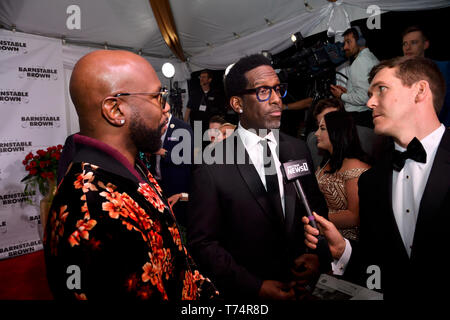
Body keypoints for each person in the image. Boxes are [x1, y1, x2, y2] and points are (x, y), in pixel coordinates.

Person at [44, 50, 218, 300]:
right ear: (115, 110)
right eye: (157, 97)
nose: (167, 108)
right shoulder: (94, 214)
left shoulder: (131, 165)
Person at [303, 56, 449, 300]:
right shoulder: (372, 181)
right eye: (370, 93)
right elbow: (376, 265)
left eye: (381, 89)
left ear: (420, 91)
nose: (370, 102)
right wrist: (343, 249)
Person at [187, 54, 330, 300]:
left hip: (301, 288)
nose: (276, 100)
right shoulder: (212, 165)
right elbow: (203, 244)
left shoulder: (297, 149)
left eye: (277, 89)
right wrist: (255, 286)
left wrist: (317, 254)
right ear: (237, 104)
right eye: (263, 91)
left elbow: (315, 208)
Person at [314, 111, 371, 242]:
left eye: (322, 129)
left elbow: (354, 216)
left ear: (337, 132)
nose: (316, 133)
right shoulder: (327, 161)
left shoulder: (356, 166)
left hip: (347, 241)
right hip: (322, 234)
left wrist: (315, 219)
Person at [145, 110, 194, 228]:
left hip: (176, 185)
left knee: (179, 222)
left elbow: (188, 158)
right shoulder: (152, 125)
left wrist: (162, 152)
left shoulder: (183, 128)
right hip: (157, 182)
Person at [330, 27, 379, 129]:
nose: (345, 47)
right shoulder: (371, 57)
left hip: (358, 118)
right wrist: (348, 92)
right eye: (345, 43)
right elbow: (367, 90)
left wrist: (341, 95)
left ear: (360, 42)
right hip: (366, 116)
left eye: (349, 42)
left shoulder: (359, 62)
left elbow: (364, 97)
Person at [401, 25, 450, 127]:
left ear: (425, 45)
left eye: (414, 42)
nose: (408, 47)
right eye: (404, 44)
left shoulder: (443, 67)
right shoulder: (399, 73)